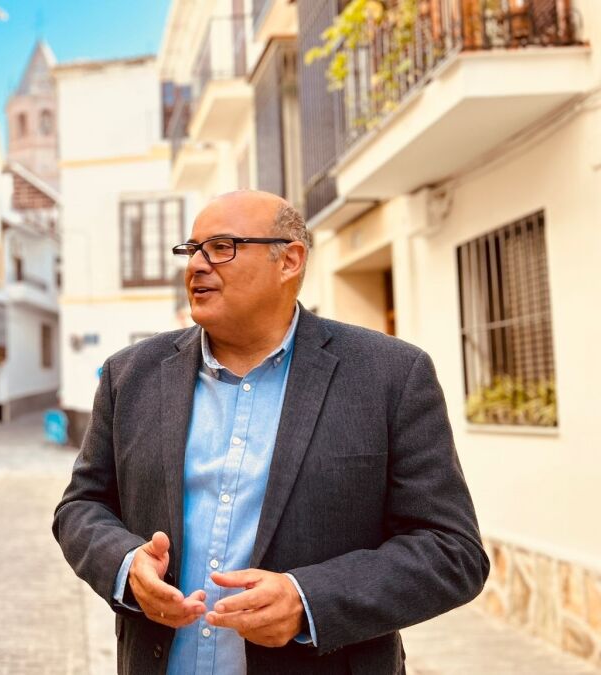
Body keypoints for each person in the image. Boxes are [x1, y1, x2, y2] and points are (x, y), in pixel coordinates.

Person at [52, 191, 488, 674]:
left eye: (221, 247)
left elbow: (452, 551)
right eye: (191, 250)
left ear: (290, 260)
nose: (196, 265)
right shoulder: (130, 375)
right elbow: (81, 506)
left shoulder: (391, 375)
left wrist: (308, 600)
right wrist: (126, 564)